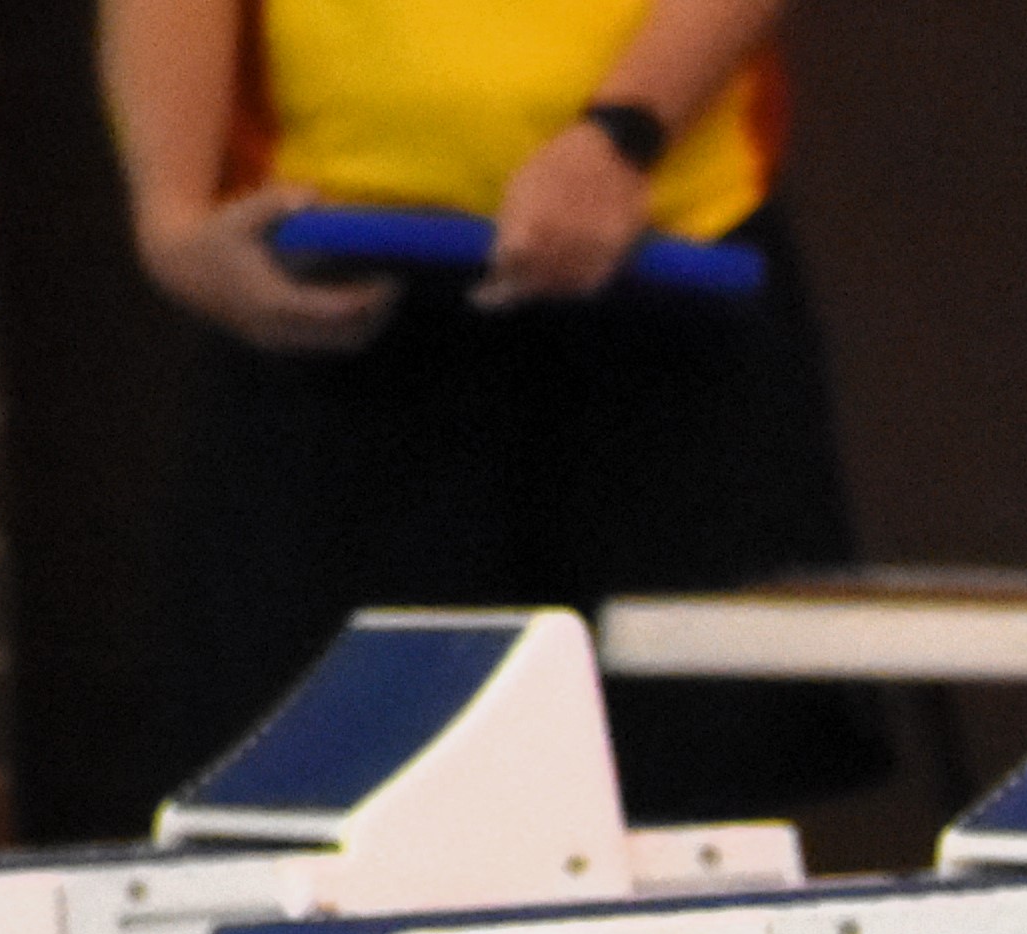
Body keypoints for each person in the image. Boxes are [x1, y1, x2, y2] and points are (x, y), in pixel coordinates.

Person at [101, 0, 878, 821]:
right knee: (309, 788)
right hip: (341, 281)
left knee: (684, 798)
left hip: (663, 266)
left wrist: (621, 134)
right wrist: (172, 214)